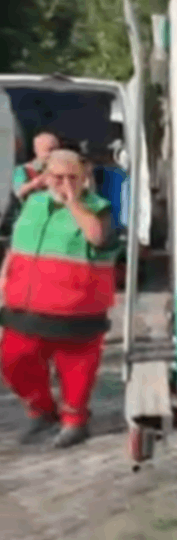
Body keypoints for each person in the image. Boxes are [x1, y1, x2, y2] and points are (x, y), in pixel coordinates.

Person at [0, 149, 116, 448]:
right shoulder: (33, 203)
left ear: (84, 177)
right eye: (58, 177)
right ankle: (41, 411)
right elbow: (16, 242)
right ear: (45, 176)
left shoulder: (98, 207)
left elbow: (97, 237)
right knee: (13, 361)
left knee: (75, 371)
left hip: (76, 309)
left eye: (72, 177)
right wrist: (4, 275)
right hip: (24, 305)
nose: (64, 183)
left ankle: (75, 421)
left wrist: (73, 202)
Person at [12, 130, 60, 202]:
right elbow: (17, 193)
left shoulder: (62, 168)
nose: (54, 154)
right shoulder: (23, 169)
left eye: (57, 150)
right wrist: (34, 184)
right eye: (50, 150)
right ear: (37, 150)